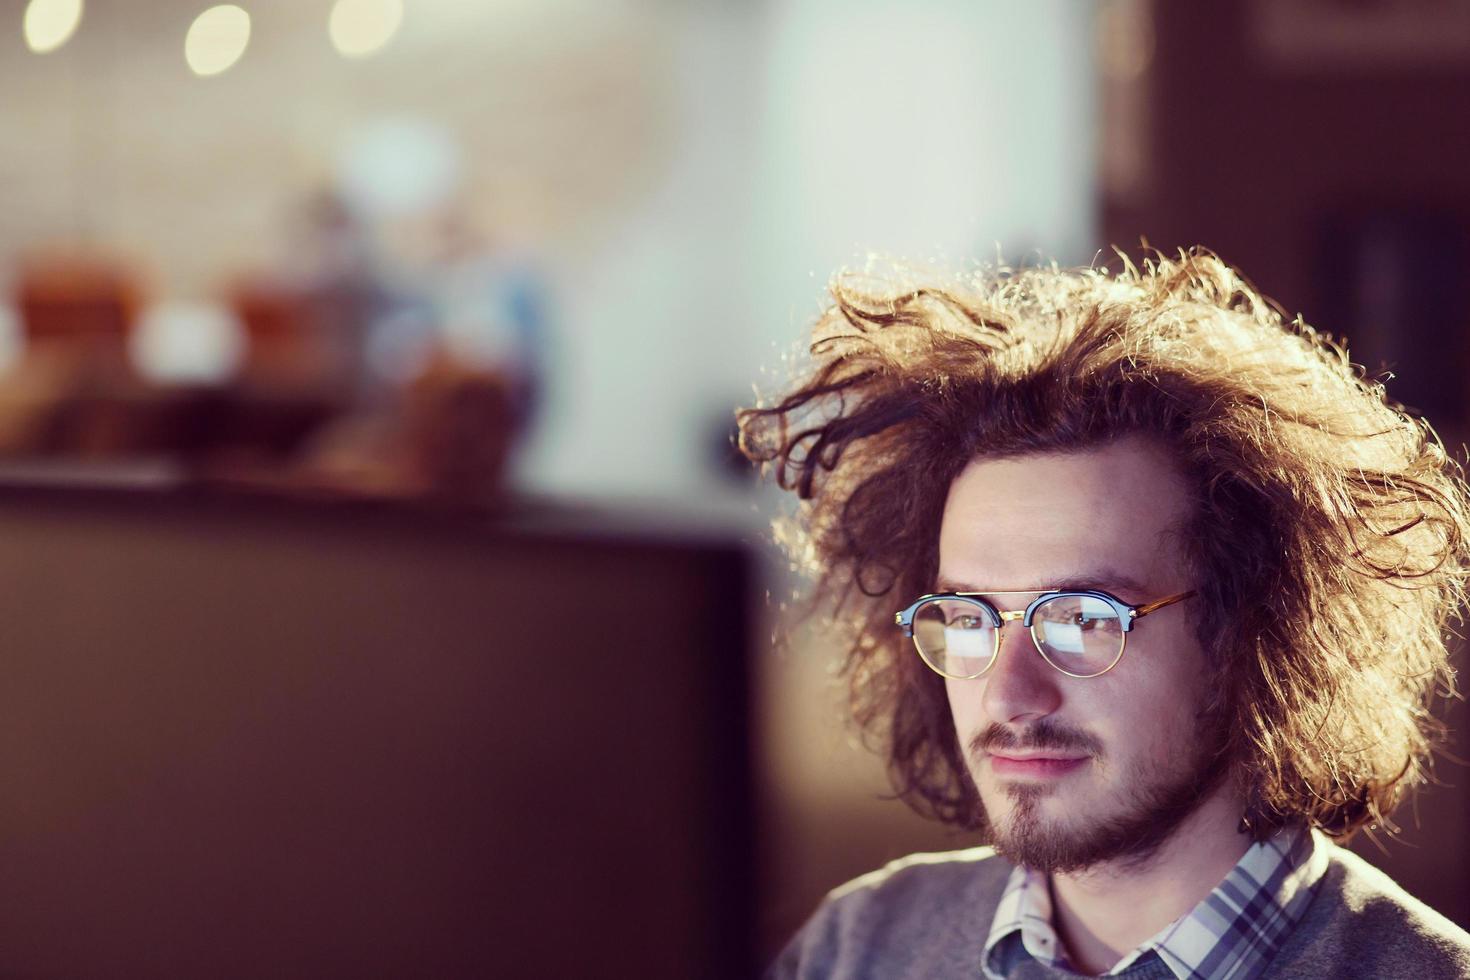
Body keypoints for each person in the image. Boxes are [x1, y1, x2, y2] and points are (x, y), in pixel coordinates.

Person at [738, 250, 1470, 978]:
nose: (1006, 694)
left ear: (1253, 629)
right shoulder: (859, 948)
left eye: (1084, 618)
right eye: (969, 619)